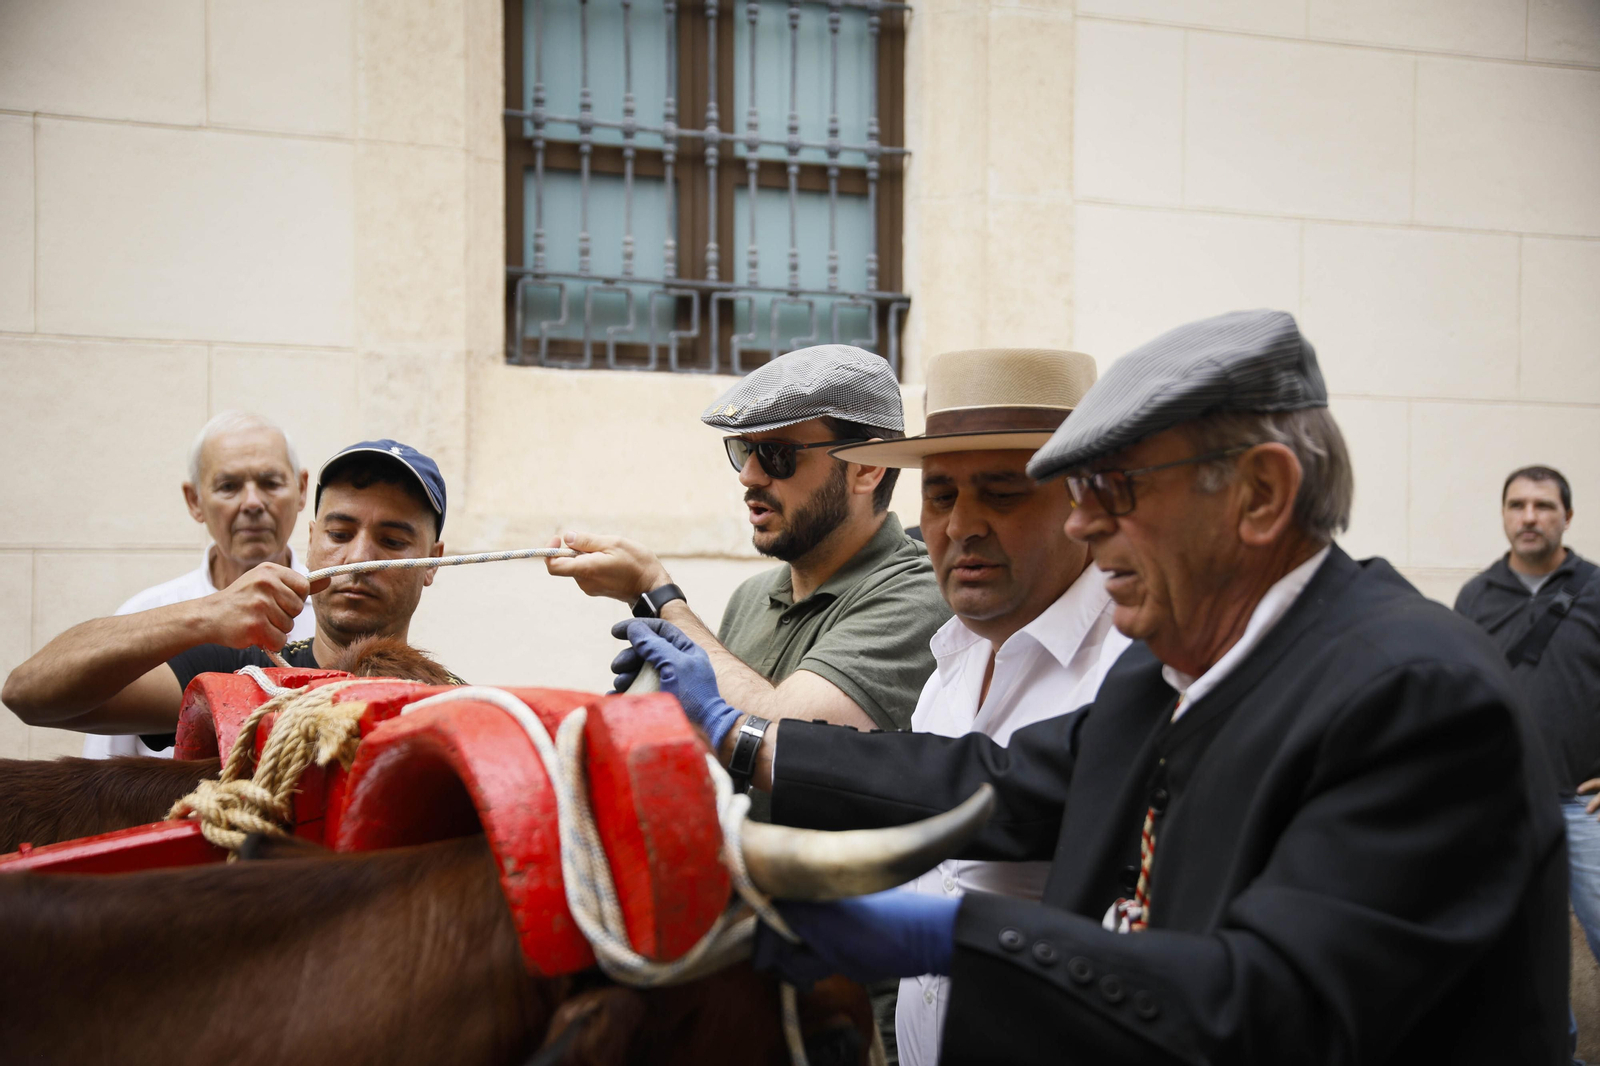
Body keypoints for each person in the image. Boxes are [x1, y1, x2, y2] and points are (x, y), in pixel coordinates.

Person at [622, 310, 1569, 1063]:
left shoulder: (1420, 696)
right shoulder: (1172, 675)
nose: (1083, 530)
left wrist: (953, 937)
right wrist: (743, 736)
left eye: (1112, 488)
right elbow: (991, 784)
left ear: (1261, 495)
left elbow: (1274, 1010)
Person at [829, 346, 1132, 1066]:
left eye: (1001, 493)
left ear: (1082, 503)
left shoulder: (1133, 669)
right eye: (940, 496)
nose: (962, 524)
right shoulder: (948, 673)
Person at [548, 344, 951, 803]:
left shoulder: (920, 592)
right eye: (743, 450)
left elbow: (788, 736)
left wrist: (661, 598)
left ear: (867, 468)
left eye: (778, 455)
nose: (750, 475)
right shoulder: (752, 596)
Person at [3, 440, 459, 746]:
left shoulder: (452, 705)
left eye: (393, 542)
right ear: (312, 539)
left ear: (432, 562)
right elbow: (29, 694)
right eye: (339, 534)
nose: (359, 558)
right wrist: (208, 613)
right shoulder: (238, 671)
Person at [81, 411, 317, 759]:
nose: (252, 503)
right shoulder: (147, 616)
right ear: (195, 501)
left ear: (301, 490)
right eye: (229, 486)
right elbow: (102, 770)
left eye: (270, 482)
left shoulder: (334, 617)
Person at [1456, 467, 1600, 969]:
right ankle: (1555, 1052)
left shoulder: (1597, 589)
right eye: (1517, 505)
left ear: (1568, 516)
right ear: (1504, 515)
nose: (1530, 517)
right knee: (1527, 951)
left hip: (1586, 807)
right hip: (1504, 801)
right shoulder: (1476, 596)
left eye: (1543, 506)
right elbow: (1460, 693)